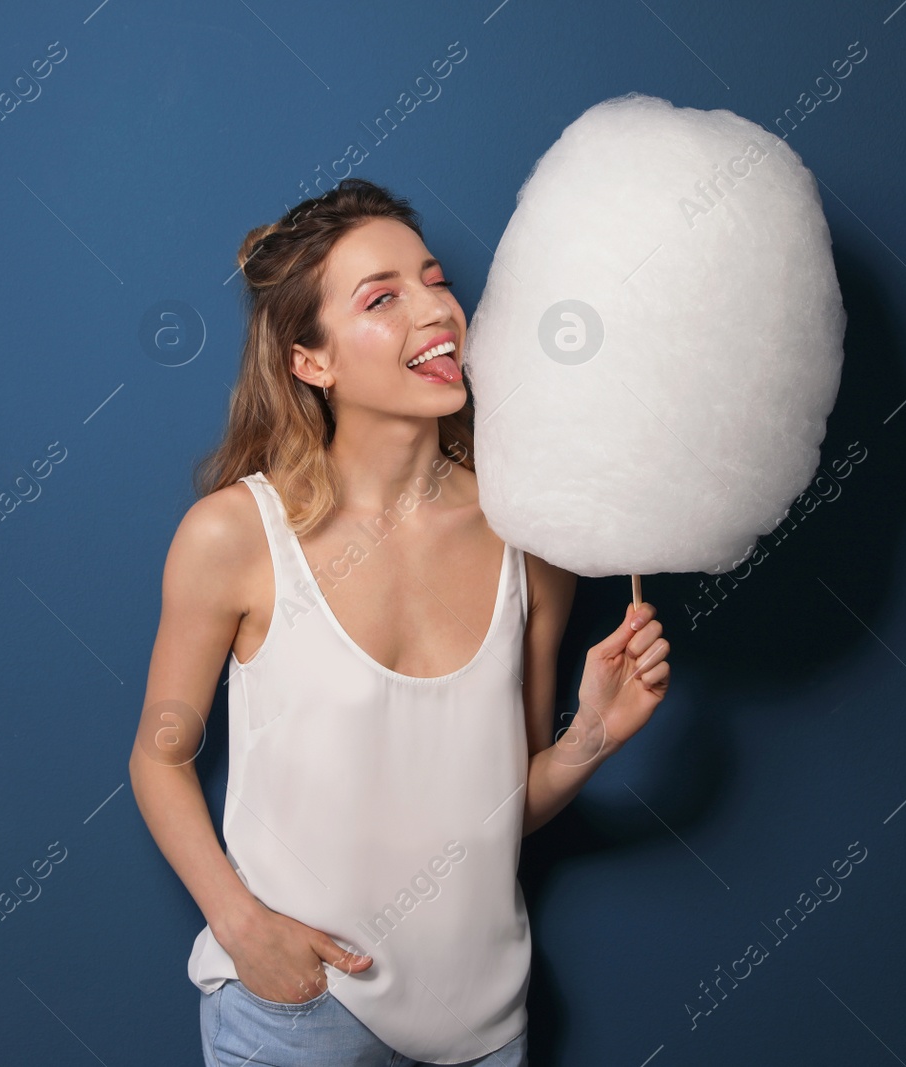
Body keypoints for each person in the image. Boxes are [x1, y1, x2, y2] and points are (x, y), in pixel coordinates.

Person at [128, 178, 671, 1066]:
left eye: (435, 279)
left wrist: (591, 739)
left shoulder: (532, 536)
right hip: (296, 1015)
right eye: (383, 298)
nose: (438, 312)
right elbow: (158, 756)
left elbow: (498, 810)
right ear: (312, 360)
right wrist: (242, 926)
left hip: (485, 1031)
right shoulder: (235, 535)